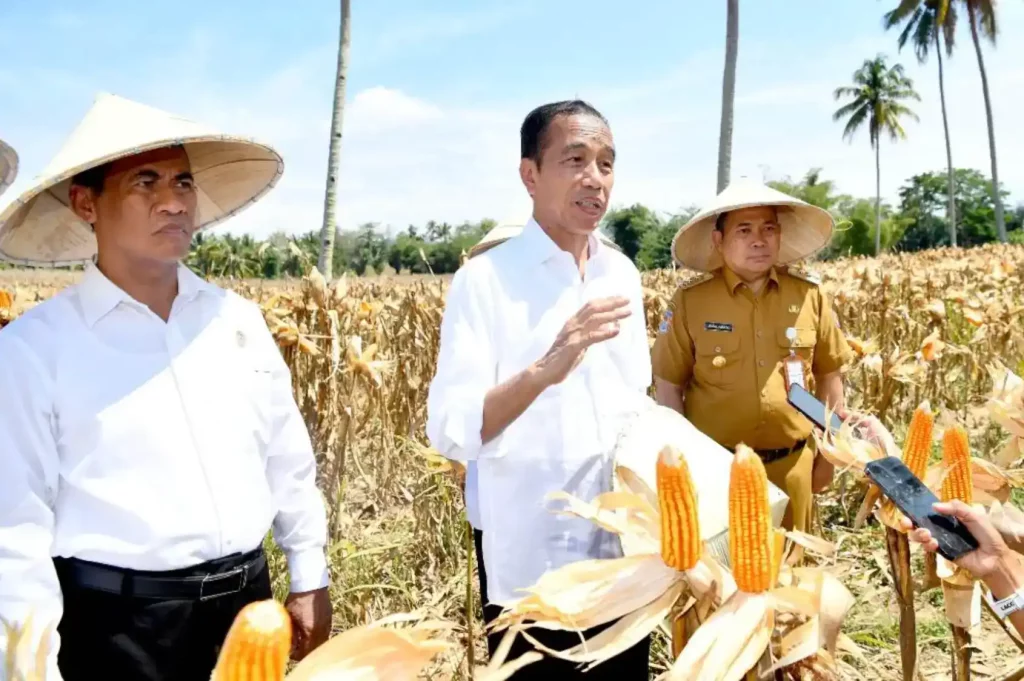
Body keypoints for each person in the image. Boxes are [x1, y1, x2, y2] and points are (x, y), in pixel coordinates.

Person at [0, 93, 331, 681]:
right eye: (144, 183)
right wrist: (30, 666)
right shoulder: (33, 350)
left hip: (249, 609)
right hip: (118, 627)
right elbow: (15, 529)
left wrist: (308, 572)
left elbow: (287, 457)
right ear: (85, 204)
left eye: (182, 181)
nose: (174, 202)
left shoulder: (238, 320)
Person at [426, 100, 652, 678]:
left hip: (623, 557)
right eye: (574, 160)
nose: (594, 179)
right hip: (532, 561)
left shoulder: (622, 274)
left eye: (606, 163)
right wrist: (546, 368)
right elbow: (452, 430)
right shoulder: (485, 281)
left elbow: (636, 407)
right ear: (529, 175)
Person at [650, 178, 855, 534]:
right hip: (717, 470)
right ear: (718, 240)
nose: (758, 240)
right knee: (725, 582)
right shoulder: (691, 301)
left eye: (768, 228)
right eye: (744, 230)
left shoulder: (810, 296)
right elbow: (668, 385)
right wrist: (681, 465)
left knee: (794, 579)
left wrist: (829, 458)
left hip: (792, 465)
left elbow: (829, 377)